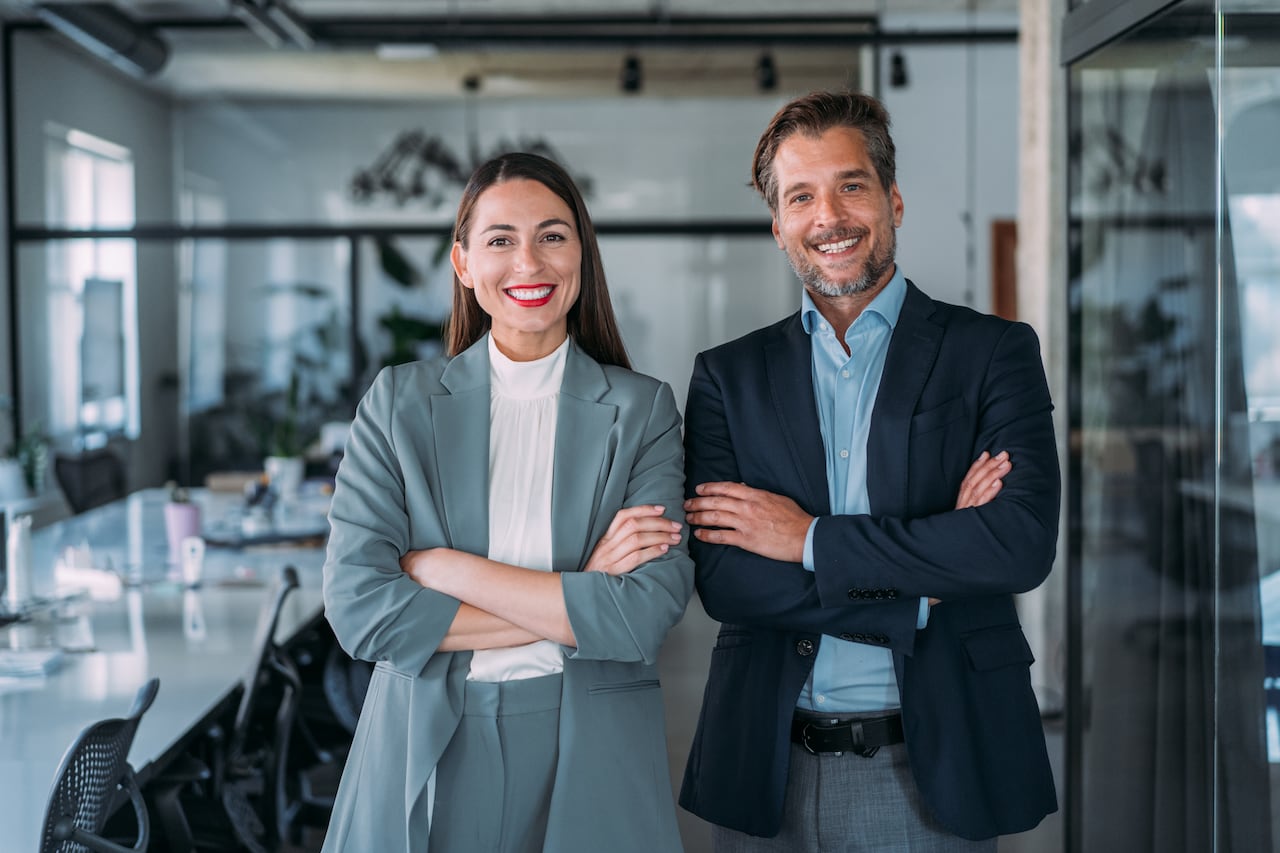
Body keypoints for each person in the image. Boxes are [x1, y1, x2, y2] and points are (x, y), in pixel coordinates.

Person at [678, 90, 1060, 851]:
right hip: (767, 762)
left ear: (892, 199)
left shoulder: (992, 353)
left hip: (935, 762)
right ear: (779, 223)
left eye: (851, 185)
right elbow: (727, 580)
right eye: (801, 196)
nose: (831, 216)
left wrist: (807, 539)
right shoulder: (728, 376)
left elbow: (1017, 544)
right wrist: (922, 585)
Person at [321, 152, 692, 853]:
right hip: (425, 737)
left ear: (581, 253)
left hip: (587, 740)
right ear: (463, 264)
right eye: (500, 240)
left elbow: (642, 614)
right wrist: (581, 593)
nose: (530, 261)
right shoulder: (399, 404)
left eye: (553, 235)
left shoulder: (642, 411)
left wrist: (441, 568)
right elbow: (359, 609)